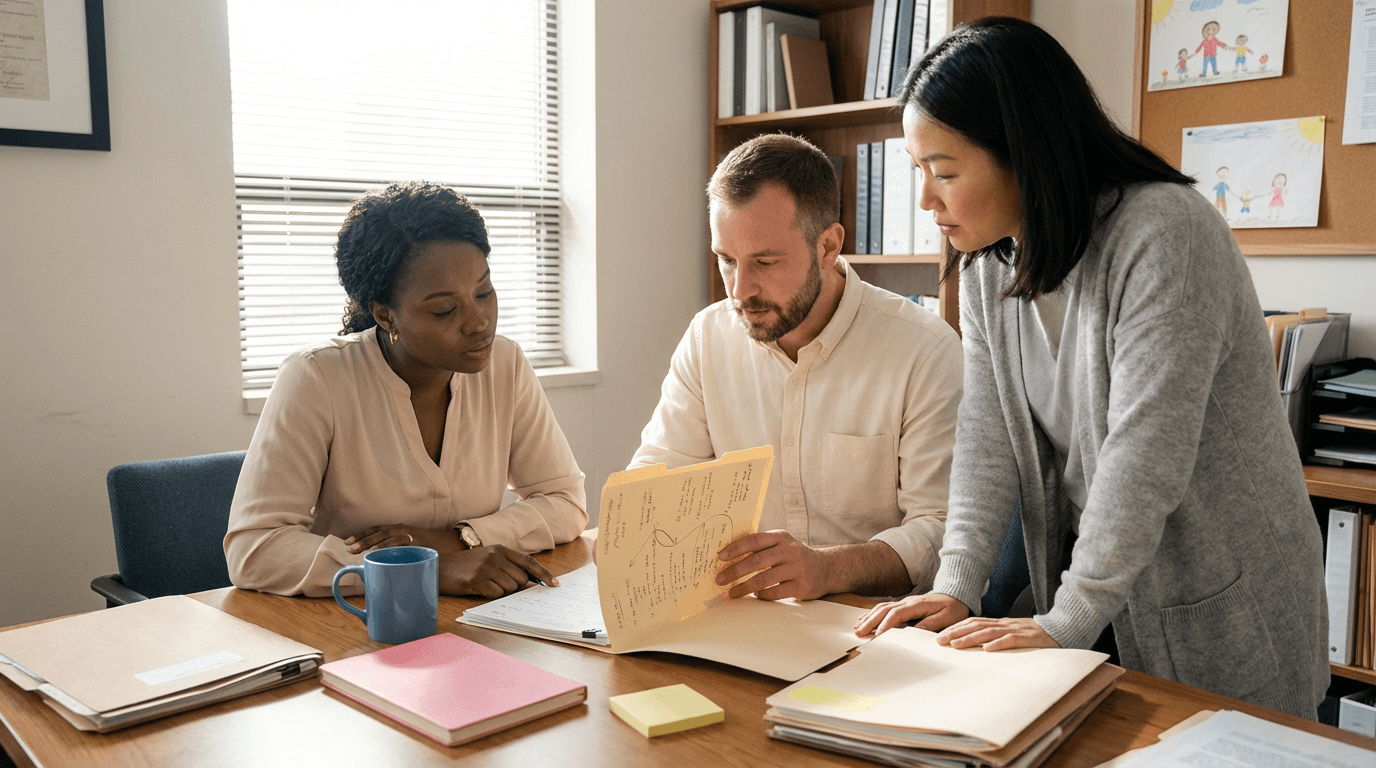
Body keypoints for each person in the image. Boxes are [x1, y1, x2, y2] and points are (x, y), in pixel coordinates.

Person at [855, 18, 1328, 719]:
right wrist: (958, 581)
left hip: (1222, 598)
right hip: (1100, 594)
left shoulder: (1165, 233)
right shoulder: (993, 262)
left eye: (945, 172)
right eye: (919, 172)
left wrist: (1068, 616)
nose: (927, 199)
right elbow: (987, 436)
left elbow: (1147, 454)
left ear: (1022, 153)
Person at [630, 134, 963, 602]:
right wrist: (630, 526)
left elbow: (944, 532)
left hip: (877, 631)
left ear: (828, 245)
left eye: (765, 261)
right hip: (748, 621)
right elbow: (661, 476)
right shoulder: (708, 338)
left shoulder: (924, 352)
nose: (740, 290)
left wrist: (829, 569)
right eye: (727, 260)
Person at [225, 182, 587, 599]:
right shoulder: (317, 377)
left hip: (475, 618)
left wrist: (458, 539)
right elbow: (253, 550)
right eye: (444, 310)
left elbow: (564, 501)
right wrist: (424, 571)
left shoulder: (504, 365)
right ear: (385, 315)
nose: (479, 322)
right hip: (352, 625)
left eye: (484, 292)